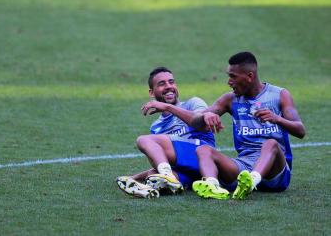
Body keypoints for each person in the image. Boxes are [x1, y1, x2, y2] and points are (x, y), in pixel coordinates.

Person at [191, 52, 306, 200]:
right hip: (244, 167)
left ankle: (252, 181)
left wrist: (277, 119)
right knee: (203, 150)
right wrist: (205, 115)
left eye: (233, 76)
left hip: (276, 171)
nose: (229, 82)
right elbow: (195, 121)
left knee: (271, 144)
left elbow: (300, 131)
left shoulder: (279, 95)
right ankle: (212, 186)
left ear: (250, 76)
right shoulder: (230, 99)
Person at [116, 67, 215, 198]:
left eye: (171, 82)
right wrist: (136, 177)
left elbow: (201, 121)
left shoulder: (193, 103)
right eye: (162, 84)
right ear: (151, 93)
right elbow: (164, 160)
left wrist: (168, 107)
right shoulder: (156, 126)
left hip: (205, 160)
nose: (169, 86)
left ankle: (166, 177)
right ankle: (150, 188)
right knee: (153, 177)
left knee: (143, 140)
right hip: (189, 171)